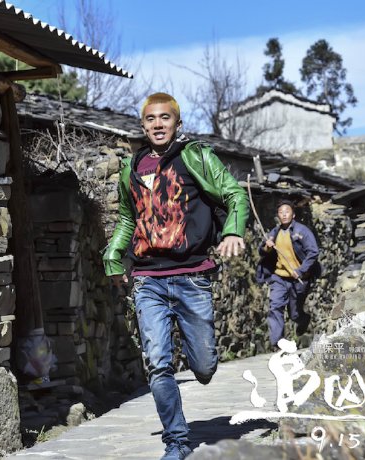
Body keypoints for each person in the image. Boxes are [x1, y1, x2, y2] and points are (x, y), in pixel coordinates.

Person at [102, 92, 249, 460]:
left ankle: (201, 366)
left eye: (165, 117)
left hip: (192, 277)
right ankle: (177, 440)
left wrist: (233, 231)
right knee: (158, 364)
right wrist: (114, 256)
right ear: (143, 125)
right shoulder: (132, 167)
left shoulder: (196, 156)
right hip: (148, 279)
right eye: (150, 118)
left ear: (177, 123)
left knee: (204, 366)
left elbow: (234, 194)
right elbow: (127, 218)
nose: (158, 124)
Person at [256, 199, 320, 348]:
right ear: (278, 215)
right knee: (275, 306)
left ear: (293, 215)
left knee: (294, 313)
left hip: (299, 279)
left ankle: (303, 320)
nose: (284, 215)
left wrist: (301, 270)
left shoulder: (302, 231)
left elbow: (313, 252)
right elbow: (262, 251)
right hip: (279, 277)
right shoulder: (275, 232)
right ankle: (277, 342)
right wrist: (267, 247)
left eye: (287, 212)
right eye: (281, 212)